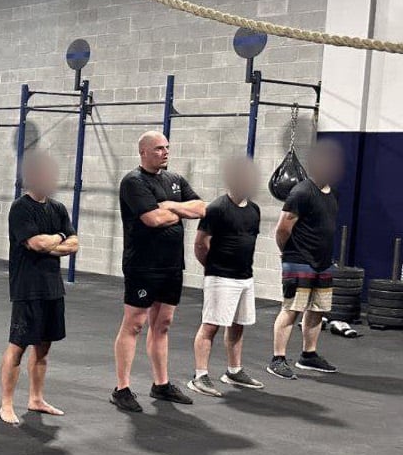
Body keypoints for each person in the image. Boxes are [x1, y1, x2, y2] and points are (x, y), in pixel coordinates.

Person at [112, 131, 206, 412]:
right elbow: (152, 219)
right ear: (143, 152)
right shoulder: (133, 182)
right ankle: (122, 388)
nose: (165, 152)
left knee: (162, 324)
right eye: (158, 149)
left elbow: (201, 208)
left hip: (171, 265)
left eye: (167, 148)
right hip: (143, 265)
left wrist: (170, 206)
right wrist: (177, 211)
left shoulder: (174, 180)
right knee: (135, 324)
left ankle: (161, 384)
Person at [0, 149, 78, 425]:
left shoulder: (57, 208)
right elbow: (35, 244)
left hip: (52, 288)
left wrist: (51, 243)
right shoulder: (20, 209)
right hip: (27, 287)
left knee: (43, 348)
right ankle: (6, 404)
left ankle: (35, 398)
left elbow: (75, 243)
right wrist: (58, 238)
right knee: (18, 346)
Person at [189, 154, 265, 396]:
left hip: (245, 277)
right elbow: (200, 245)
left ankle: (234, 370)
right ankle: (200, 376)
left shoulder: (254, 210)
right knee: (210, 325)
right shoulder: (217, 208)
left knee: (238, 324)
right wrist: (214, 269)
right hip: (221, 277)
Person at [268, 138, 344, 379]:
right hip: (299, 259)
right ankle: (278, 358)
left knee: (317, 309)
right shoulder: (301, 192)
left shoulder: (332, 193)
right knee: (291, 309)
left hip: (323, 262)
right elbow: (282, 228)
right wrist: (287, 253)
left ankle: (308, 355)